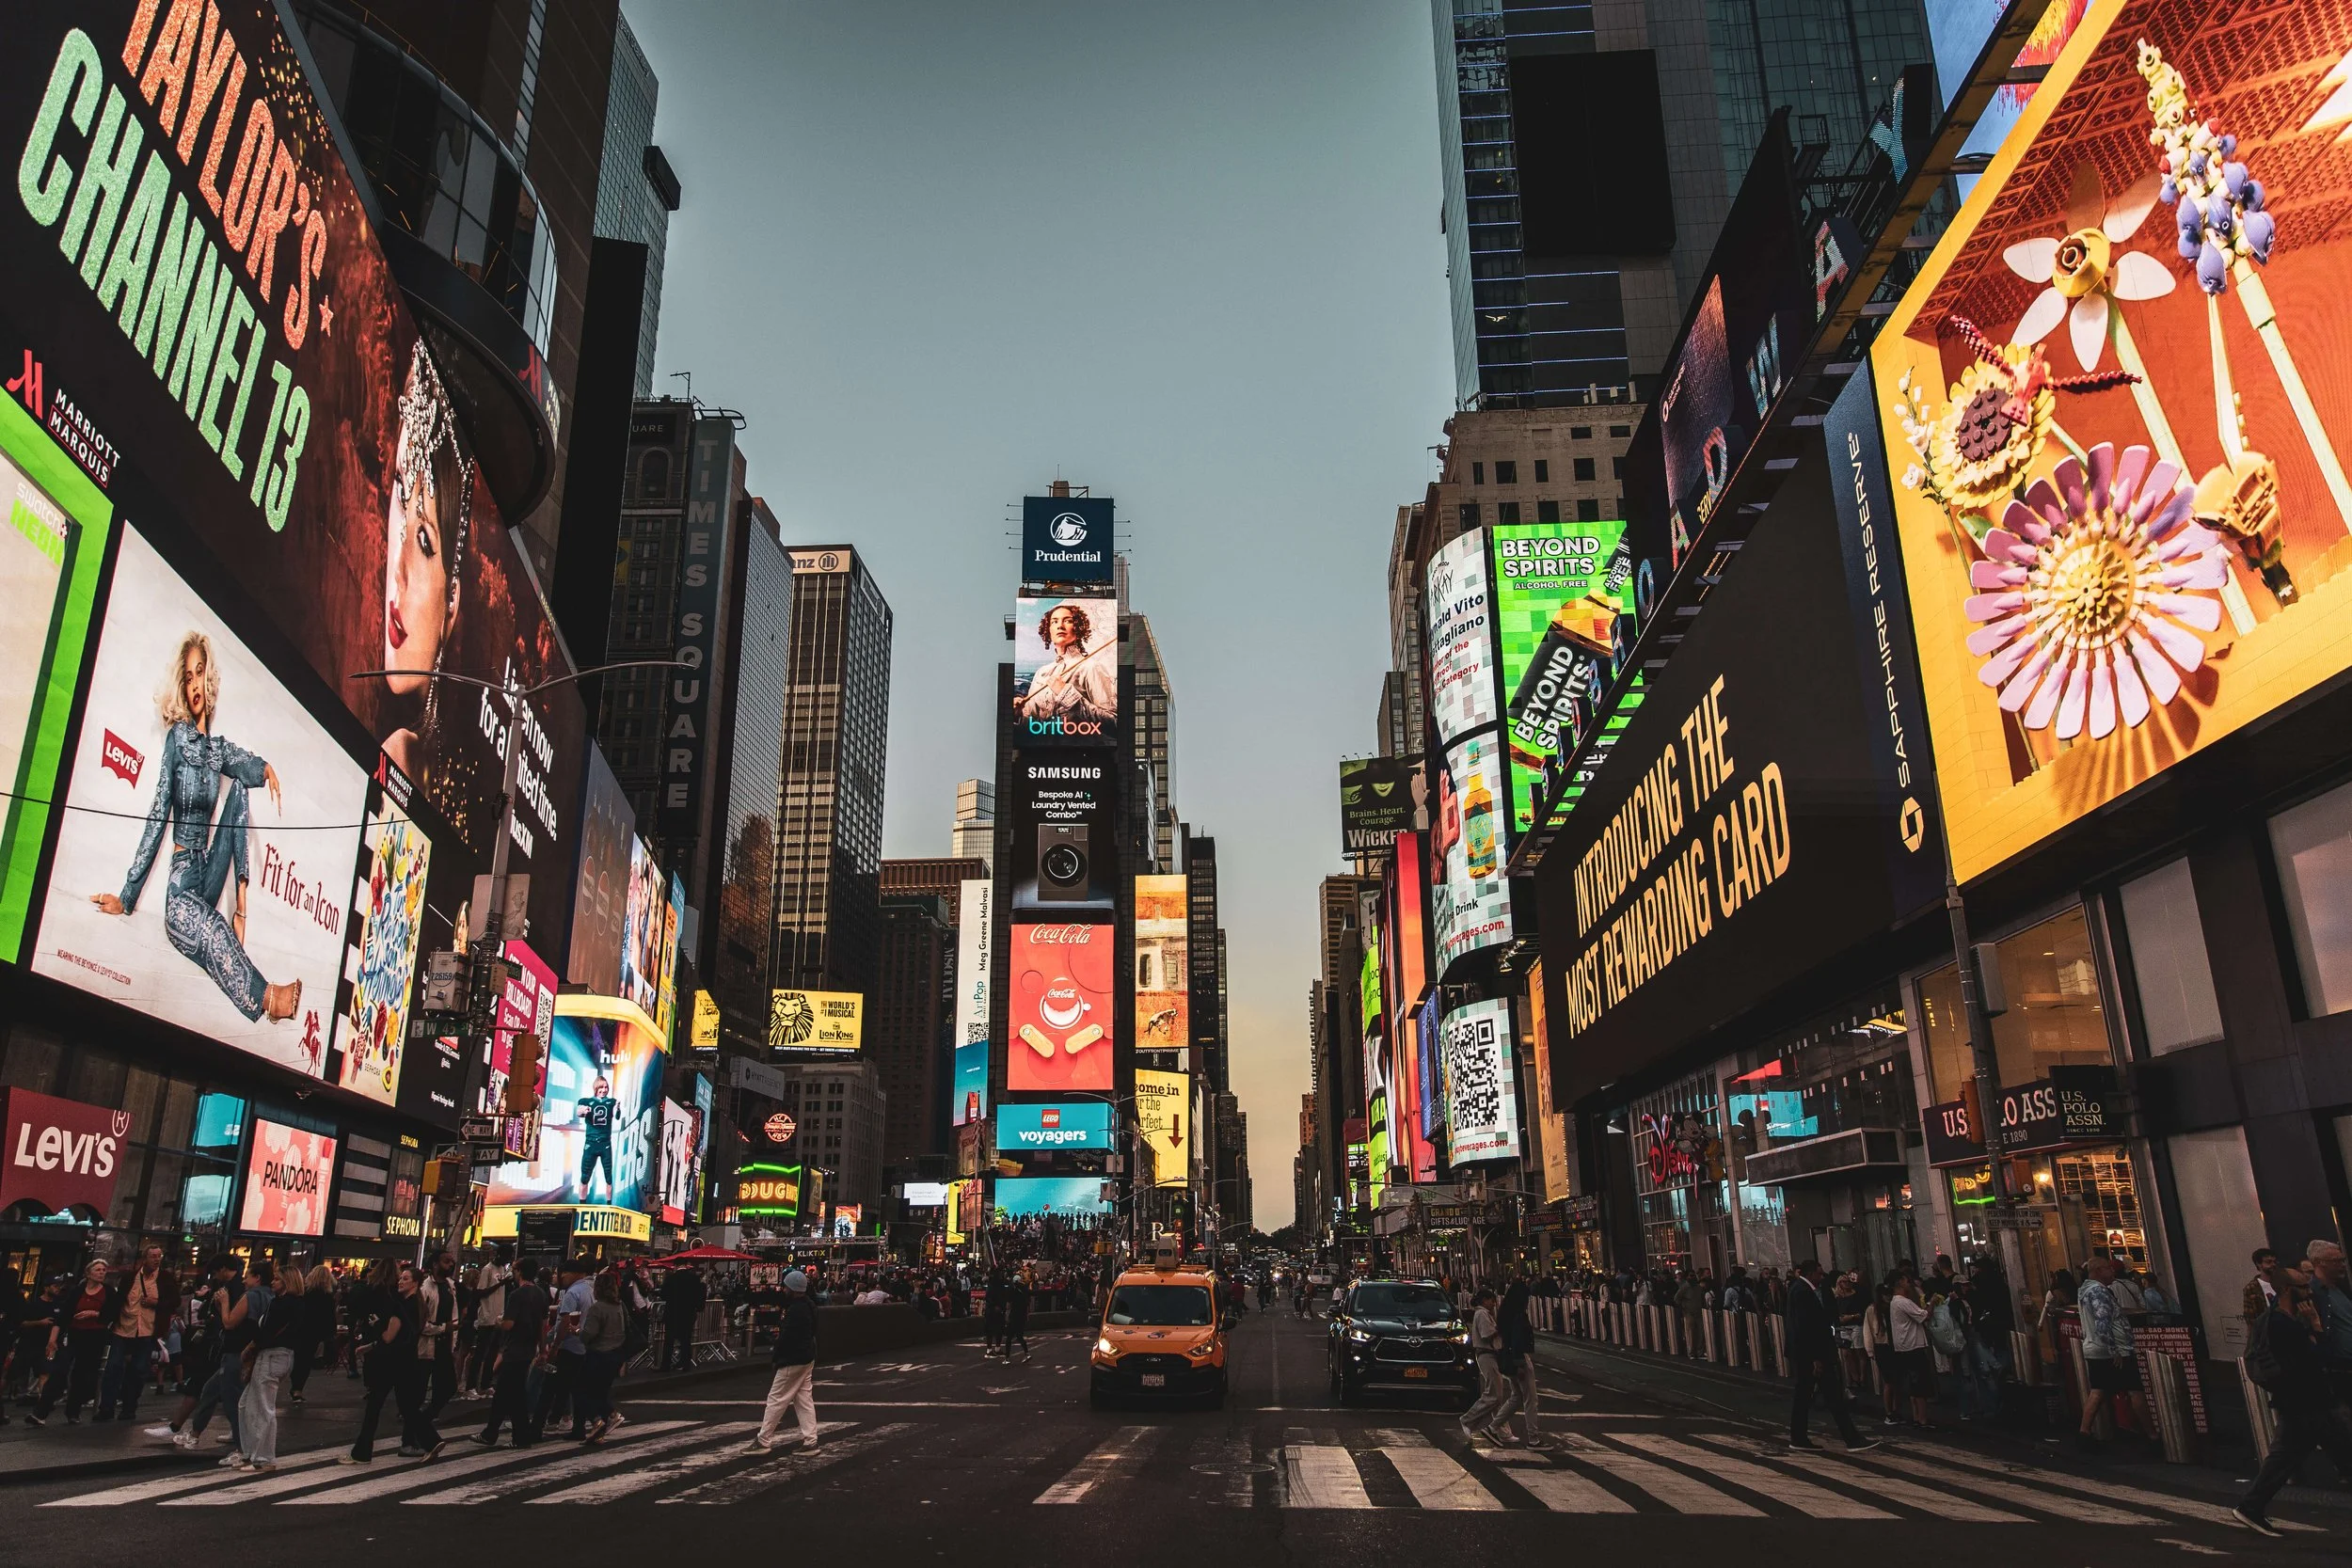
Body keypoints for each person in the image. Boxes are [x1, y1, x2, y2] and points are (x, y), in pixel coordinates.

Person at [91, 631, 303, 1027]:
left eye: (199, 674)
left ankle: (242, 905)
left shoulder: (216, 749)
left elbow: (243, 765)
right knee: (213, 928)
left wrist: (265, 769)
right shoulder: (177, 741)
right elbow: (157, 815)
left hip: (208, 868)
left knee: (239, 789)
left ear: (210, 680)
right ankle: (265, 999)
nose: (193, 686)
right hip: (182, 884)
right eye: (187, 677)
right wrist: (127, 895)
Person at [378, 344, 472, 778]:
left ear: (452, 602)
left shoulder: (402, 756)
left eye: (424, 538)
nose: (398, 569)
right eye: (401, 491)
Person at [2233, 1277, 2352, 1537]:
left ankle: (2250, 1506)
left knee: (2304, 1453)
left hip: (2307, 1402)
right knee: (2289, 1455)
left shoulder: (2285, 1320)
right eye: (2303, 1287)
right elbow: (2316, 1360)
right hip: (2304, 1402)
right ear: (2287, 1290)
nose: (2309, 1291)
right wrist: (2318, 1329)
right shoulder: (2283, 1324)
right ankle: (2250, 1506)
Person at [1785, 1259, 1876, 1451]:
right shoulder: (1802, 1292)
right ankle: (1848, 1438)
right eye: (1818, 1273)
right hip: (1812, 1355)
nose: (1821, 1276)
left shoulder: (1801, 1289)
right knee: (1816, 1395)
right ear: (1810, 1274)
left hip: (1810, 1353)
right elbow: (1805, 1327)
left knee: (1821, 1396)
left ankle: (1804, 1437)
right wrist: (1816, 1358)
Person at [233, 1263, 305, 1472]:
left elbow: (266, 1331)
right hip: (283, 1355)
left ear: (287, 1282)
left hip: (271, 1355)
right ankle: (250, 1453)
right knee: (247, 1403)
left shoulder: (281, 1304)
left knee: (261, 1407)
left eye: (277, 1279)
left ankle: (263, 1458)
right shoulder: (297, 1304)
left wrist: (252, 1343)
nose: (273, 1282)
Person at [2075, 1255, 2147, 1452]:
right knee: (2134, 1390)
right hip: (2113, 1351)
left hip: (2096, 1348)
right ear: (2098, 1271)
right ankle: (2151, 1435)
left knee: (2098, 1391)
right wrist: (2113, 1349)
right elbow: (2102, 1321)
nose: (2112, 1271)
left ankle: (2084, 1432)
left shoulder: (2085, 1290)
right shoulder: (2098, 1292)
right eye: (2108, 1268)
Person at [473, 1261, 548, 1449]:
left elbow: (509, 1324)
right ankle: (494, 1433)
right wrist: (543, 1349)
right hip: (529, 1349)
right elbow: (543, 1324)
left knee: (512, 1394)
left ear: (520, 1272)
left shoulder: (517, 1295)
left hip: (514, 1348)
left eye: (514, 1271)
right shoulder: (540, 1294)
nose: (513, 1274)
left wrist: (499, 1322)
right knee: (508, 1393)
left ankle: (514, 1436)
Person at [97, 1244, 174, 1422]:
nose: (156, 1259)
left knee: (138, 1370)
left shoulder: (165, 1279)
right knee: (113, 1368)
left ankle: (129, 1407)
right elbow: (119, 1299)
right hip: (124, 1328)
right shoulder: (130, 1278)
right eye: (153, 1256)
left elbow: (174, 1301)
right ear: (144, 1259)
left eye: (159, 1256)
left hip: (146, 1330)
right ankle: (106, 1408)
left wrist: (157, 1302)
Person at [30, 1259, 110, 1424]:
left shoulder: (108, 1292)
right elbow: (63, 1317)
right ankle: (40, 1413)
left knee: (83, 1376)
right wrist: (52, 1340)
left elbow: (112, 1314)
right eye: (98, 1270)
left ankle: (73, 1412)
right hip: (74, 1335)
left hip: (95, 1338)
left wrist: (94, 1314)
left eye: (103, 1270)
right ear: (89, 1273)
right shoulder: (77, 1292)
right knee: (59, 1371)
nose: (101, 1272)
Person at [1015, 600, 1115, 729]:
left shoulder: (1091, 667)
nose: (1060, 626)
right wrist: (1018, 715)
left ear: (1078, 627)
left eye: (1067, 621)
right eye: (1054, 621)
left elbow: (1113, 723)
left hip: (1083, 747)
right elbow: (1030, 721)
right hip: (1042, 748)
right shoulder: (1042, 673)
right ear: (1048, 630)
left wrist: (1066, 693)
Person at [753, 1270, 819, 1452]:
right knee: (804, 1399)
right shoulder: (809, 1305)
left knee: (776, 1398)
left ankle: (763, 1440)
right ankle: (811, 1440)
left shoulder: (795, 1309)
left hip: (793, 1358)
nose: (784, 1289)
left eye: (786, 1286)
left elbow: (788, 1336)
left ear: (791, 1288)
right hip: (807, 1356)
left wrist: (776, 1353)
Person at [535, 1258, 594, 1440]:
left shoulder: (572, 1293)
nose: (562, 1277)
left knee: (549, 1388)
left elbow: (565, 1321)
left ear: (576, 1273)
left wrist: (554, 1346)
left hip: (567, 1346)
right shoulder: (589, 1292)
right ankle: (575, 1426)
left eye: (564, 1273)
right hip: (581, 1346)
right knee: (573, 1388)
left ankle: (537, 1427)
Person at [1458, 1287, 1519, 1447]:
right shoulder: (1482, 1314)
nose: (1494, 1303)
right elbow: (1487, 1334)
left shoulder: (1484, 1314)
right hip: (1487, 1355)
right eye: (1491, 1300)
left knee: (1496, 1396)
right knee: (1494, 1395)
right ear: (1484, 1300)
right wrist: (1501, 1328)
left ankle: (1503, 1432)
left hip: (1491, 1355)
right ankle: (1468, 1419)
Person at [576, 1273, 629, 1444]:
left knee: (582, 1391)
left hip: (598, 1354)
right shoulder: (619, 1306)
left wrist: (577, 1331)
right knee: (600, 1391)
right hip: (616, 1353)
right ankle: (599, 1428)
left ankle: (607, 1416)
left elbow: (588, 1335)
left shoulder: (597, 1308)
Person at [1500, 1278, 1547, 1448]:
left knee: (1517, 1396)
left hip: (1509, 1358)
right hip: (1519, 1359)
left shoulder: (1505, 1312)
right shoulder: (1518, 1315)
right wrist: (1519, 1363)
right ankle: (1533, 1437)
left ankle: (1493, 1427)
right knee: (1530, 1399)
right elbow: (1517, 1340)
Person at [2306, 1240, 2352, 1408]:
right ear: (2319, 1263)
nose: (2341, 1265)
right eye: (2336, 1261)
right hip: (2340, 1369)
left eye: (2342, 1260)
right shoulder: (2313, 1293)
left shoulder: (2342, 1289)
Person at [1887, 1275, 1932, 1428]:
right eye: (1907, 1281)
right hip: (1913, 1345)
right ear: (1900, 1284)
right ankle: (1922, 1419)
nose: (1910, 1284)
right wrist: (1932, 1302)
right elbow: (1924, 1315)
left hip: (1904, 1346)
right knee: (1920, 1383)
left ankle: (1916, 1416)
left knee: (1914, 1383)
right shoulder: (1903, 1302)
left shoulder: (1895, 1302)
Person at [466, 1249, 511, 1396]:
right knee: (480, 1353)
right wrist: (500, 1284)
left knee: (492, 1353)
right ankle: (470, 1386)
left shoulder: (502, 1269)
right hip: (486, 1316)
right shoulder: (487, 1269)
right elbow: (479, 1292)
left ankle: (485, 1383)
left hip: (498, 1316)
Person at [291, 1263, 334, 1404]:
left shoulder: (304, 1293)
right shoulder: (328, 1296)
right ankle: (298, 1389)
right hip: (315, 1332)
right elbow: (330, 1317)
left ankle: (295, 1385)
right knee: (305, 1360)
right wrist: (329, 1334)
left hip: (300, 1329)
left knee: (298, 1358)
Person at [575, 1076, 620, 1203]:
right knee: (584, 1177)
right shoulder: (586, 1101)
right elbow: (579, 1112)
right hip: (591, 1143)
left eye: (606, 1087)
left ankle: (609, 1204)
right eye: (601, 1087)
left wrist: (617, 1108)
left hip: (605, 1143)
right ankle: (582, 1204)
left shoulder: (611, 1102)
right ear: (596, 1088)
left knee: (608, 1177)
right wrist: (584, 1110)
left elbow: (617, 1116)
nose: (604, 1090)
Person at [660, 1258, 707, 1372]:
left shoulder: (671, 1279)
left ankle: (665, 1364)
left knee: (669, 1340)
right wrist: (698, 1307)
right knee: (686, 1339)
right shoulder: (694, 1279)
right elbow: (700, 1295)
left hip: (672, 1313)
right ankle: (685, 1363)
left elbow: (663, 1295)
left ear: (675, 1266)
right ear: (686, 1265)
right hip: (688, 1313)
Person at [1004, 1269, 1032, 1364]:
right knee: (1020, 1336)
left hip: (1014, 1315)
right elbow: (1027, 1304)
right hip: (1022, 1315)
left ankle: (1007, 1358)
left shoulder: (1012, 1290)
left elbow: (1008, 1304)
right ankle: (1027, 1353)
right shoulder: (1025, 1290)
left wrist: (1007, 1316)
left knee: (1009, 1338)